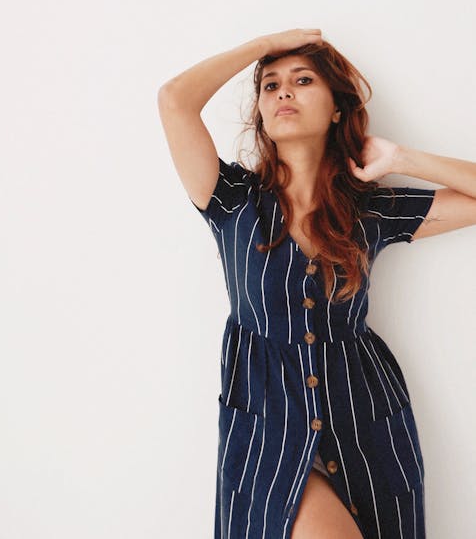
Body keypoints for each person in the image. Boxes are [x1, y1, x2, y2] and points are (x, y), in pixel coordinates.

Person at [157, 29, 476, 539]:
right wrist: (267, 44)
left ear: (334, 108)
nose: (284, 92)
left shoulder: (367, 208)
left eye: (303, 81)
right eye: (270, 85)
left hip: (365, 421)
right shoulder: (231, 198)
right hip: (265, 425)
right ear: (260, 110)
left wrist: (400, 160)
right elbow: (174, 100)